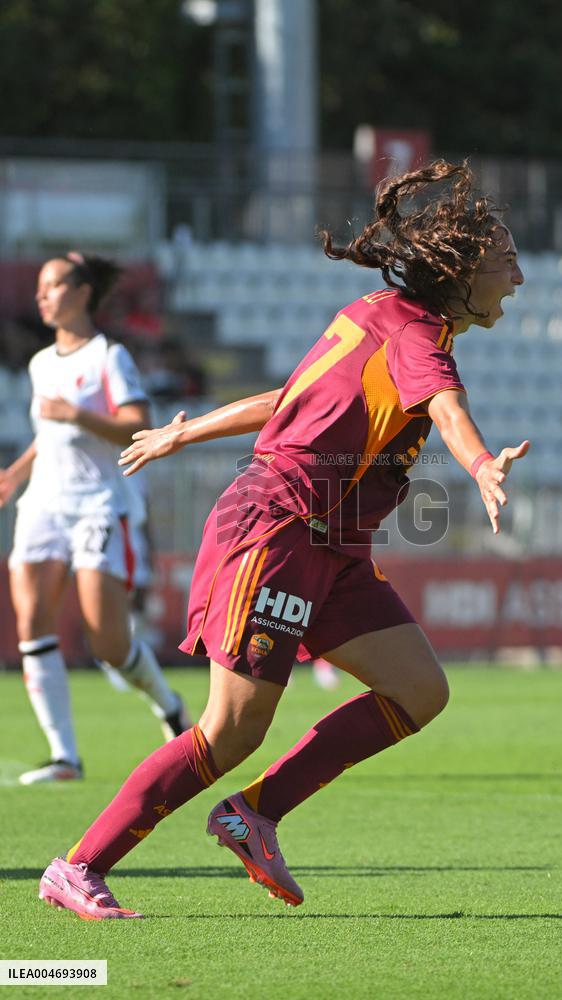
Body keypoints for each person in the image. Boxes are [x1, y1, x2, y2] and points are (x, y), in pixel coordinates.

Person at [38, 160, 529, 918]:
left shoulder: (376, 313)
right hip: (278, 530)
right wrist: (479, 464)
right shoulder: (421, 340)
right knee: (231, 729)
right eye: (507, 261)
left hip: (333, 547)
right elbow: (447, 405)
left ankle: (254, 813)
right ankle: (78, 865)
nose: (518, 277)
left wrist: (187, 430)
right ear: (461, 271)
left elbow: (288, 397)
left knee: (419, 689)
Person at [0, 252, 191, 785]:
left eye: (53, 284)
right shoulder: (41, 363)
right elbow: (51, 433)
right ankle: (65, 757)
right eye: (39, 286)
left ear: (82, 292)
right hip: (43, 502)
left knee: (107, 643)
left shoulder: (109, 356)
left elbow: (137, 424)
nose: (42, 295)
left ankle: (170, 706)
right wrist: (15, 474)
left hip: (97, 504)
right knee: (32, 622)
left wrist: (78, 414)